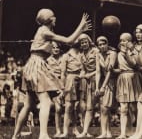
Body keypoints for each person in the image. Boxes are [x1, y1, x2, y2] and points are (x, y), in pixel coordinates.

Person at [12, 8, 90, 139]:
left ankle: (16, 135)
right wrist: (80, 27)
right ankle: (43, 135)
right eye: (53, 17)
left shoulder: (44, 30)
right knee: (46, 101)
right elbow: (69, 41)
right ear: (50, 19)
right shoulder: (45, 31)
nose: (55, 19)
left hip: (32, 64)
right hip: (37, 65)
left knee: (29, 104)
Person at [115, 33, 142, 139]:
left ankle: (136, 132)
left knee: (134, 107)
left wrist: (126, 53)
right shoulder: (118, 53)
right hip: (122, 78)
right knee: (123, 108)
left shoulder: (133, 52)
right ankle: (123, 133)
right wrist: (114, 70)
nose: (122, 42)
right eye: (121, 40)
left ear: (130, 41)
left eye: (125, 40)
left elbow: (133, 64)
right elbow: (120, 68)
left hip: (133, 78)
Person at [76, 34, 100, 138]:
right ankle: (85, 131)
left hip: (98, 80)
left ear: (89, 42)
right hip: (88, 81)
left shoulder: (96, 51)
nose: (84, 44)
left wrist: (90, 74)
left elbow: (100, 69)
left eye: (85, 42)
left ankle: (106, 132)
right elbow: (83, 69)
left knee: (103, 107)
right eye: (82, 43)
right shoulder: (81, 55)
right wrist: (81, 74)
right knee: (89, 107)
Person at [58, 41, 82, 137]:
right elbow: (63, 73)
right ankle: (65, 131)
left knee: (77, 108)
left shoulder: (82, 54)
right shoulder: (66, 56)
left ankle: (76, 129)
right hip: (70, 81)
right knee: (68, 106)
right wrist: (62, 87)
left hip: (82, 79)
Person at [95, 36, 117, 139]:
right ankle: (107, 132)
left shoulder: (112, 53)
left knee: (105, 108)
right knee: (104, 108)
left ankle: (104, 133)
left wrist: (103, 86)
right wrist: (97, 87)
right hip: (102, 82)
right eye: (100, 45)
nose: (102, 46)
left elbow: (110, 71)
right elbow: (98, 72)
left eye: (104, 44)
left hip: (111, 81)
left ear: (107, 44)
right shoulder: (98, 54)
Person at [46, 41, 64, 137]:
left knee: (71, 108)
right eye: (53, 47)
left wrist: (63, 87)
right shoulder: (48, 60)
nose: (56, 49)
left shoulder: (64, 58)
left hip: (65, 85)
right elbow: (49, 76)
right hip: (54, 87)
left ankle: (74, 129)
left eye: (57, 47)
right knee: (58, 108)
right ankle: (58, 131)